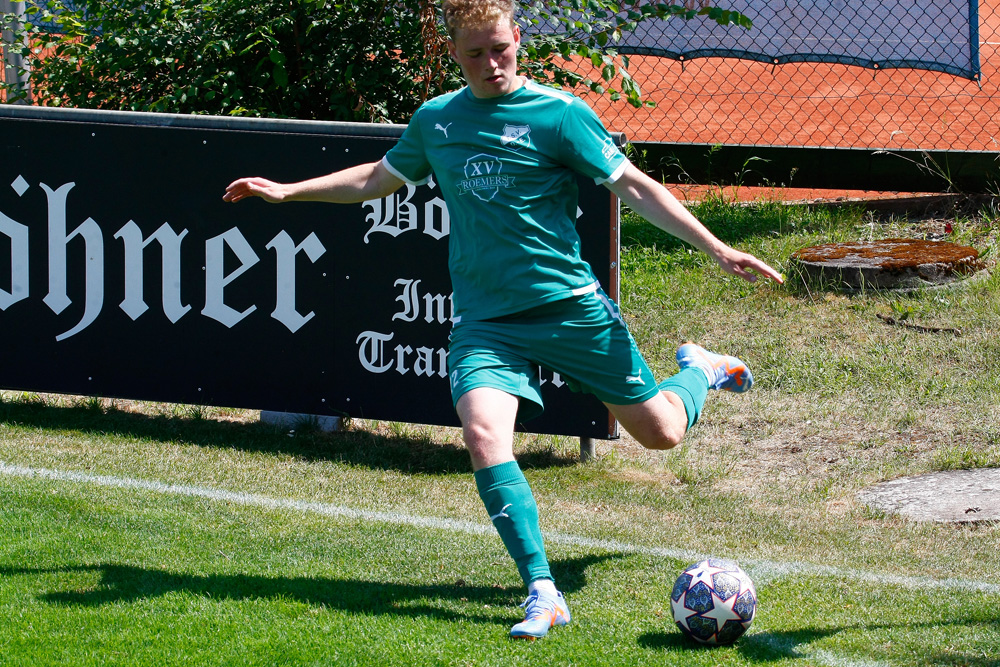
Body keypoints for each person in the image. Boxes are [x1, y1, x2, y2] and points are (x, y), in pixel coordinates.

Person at [224, 0, 782, 640]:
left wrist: (717, 247)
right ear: (452, 53)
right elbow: (379, 178)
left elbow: (632, 185)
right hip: (485, 323)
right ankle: (542, 590)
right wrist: (290, 191)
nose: (491, 64)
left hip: (570, 309)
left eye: (501, 49)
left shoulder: (560, 115)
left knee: (660, 434)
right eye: (474, 54)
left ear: (518, 39)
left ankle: (701, 372)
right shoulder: (438, 120)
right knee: (485, 437)